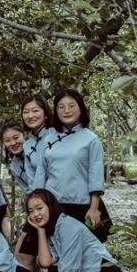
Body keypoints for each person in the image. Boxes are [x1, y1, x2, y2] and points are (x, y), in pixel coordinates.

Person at [36, 89, 111, 242]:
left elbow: (95, 174)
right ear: (55, 111)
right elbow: (41, 172)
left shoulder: (91, 139)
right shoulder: (47, 138)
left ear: (81, 108)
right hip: (53, 206)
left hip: (82, 205)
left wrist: (94, 208)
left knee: (88, 254)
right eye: (61, 107)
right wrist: (37, 204)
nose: (66, 110)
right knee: (55, 253)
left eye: (71, 105)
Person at [21, 94, 54, 187]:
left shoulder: (57, 135)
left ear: (46, 114)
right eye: (26, 112)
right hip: (41, 198)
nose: (30, 116)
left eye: (35, 111)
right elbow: (31, 179)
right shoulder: (27, 145)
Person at [1, 120, 36, 197]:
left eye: (16, 138)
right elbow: (26, 190)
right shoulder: (13, 166)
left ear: (24, 134)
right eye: (7, 141)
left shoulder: (37, 149)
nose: (13, 143)